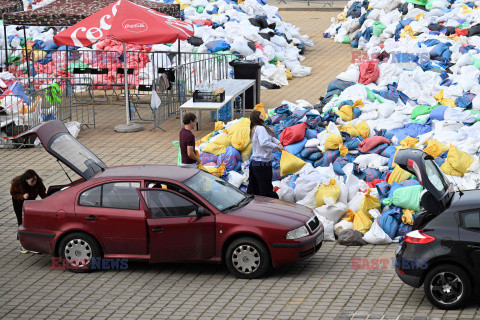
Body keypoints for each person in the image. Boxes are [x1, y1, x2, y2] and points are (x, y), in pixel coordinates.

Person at [247, 110, 284, 198]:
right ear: (257, 117)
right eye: (261, 115)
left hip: (255, 164)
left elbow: (270, 138)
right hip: (262, 164)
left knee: (254, 189)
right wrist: (277, 147)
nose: (263, 116)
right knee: (266, 190)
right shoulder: (260, 128)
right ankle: (269, 207)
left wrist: (278, 143)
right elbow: (264, 142)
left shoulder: (255, 128)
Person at [10, 169, 47, 253]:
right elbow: (13, 193)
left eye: (35, 180)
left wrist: (48, 201)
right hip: (19, 201)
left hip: (30, 201)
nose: (34, 182)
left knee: (32, 221)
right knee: (21, 221)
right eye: (32, 181)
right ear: (26, 180)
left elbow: (42, 192)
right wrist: (22, 196)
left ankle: (31, 243)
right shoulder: (17, 182)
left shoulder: (38, 182)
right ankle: (22, 244)